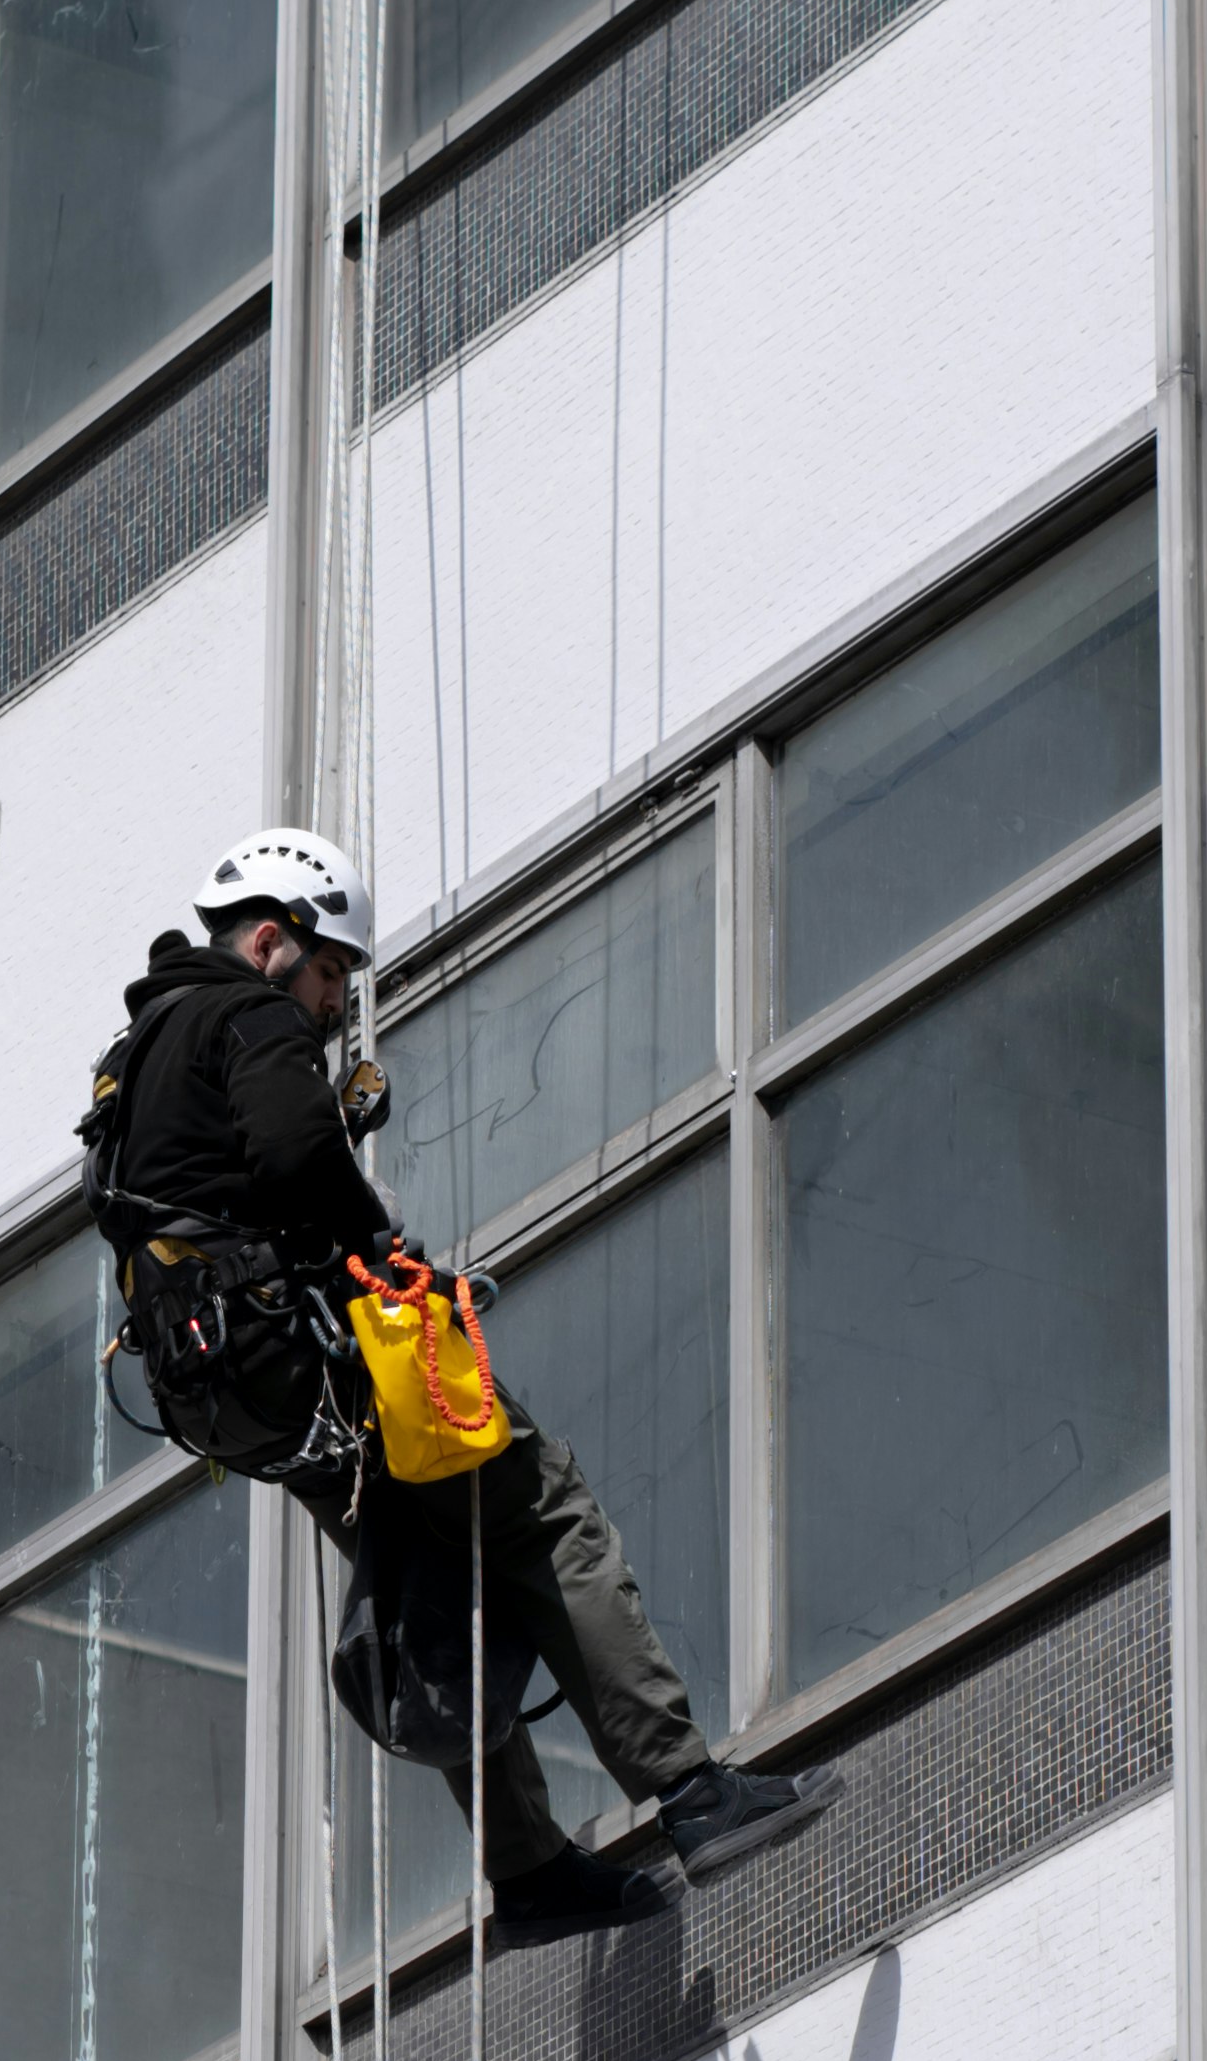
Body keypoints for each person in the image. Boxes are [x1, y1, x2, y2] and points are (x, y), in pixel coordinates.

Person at [85, 828, 826, 1946]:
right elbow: (294, 1157)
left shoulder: (133, 1058)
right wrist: (381, 1254)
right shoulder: (251, 1014)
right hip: (294, 1347)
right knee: (541, 1511)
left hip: (226, 1388)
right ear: (275, 942)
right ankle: (689, 1793)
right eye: (334, 974)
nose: (335, 1005)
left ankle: (526, 1870)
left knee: (428, 1578)